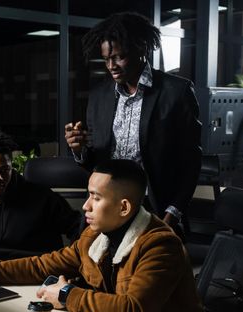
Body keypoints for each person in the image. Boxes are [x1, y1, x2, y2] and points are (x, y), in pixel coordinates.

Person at [0, 159, 211, 312]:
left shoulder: (160, 245)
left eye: (95, 198)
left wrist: (67, 294)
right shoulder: (93, 236)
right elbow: (43, 265)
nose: (86, 206)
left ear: (124, 207)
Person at [64, 12, 202, 233]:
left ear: (141, 48)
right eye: (106, 59)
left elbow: (191, 163)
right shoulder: (99, 96)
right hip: (106, 207)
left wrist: (172, 215)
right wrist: (79, 149)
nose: (111, 66)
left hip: (155, 210)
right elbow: (97, 164)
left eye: (119, 57)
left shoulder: (176, 92)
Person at [0, 130, 81, 262]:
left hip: (36, 272)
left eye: (4, 170)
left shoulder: (43, 198)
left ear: (11, 168)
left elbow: (77, 228)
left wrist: (69, 261)